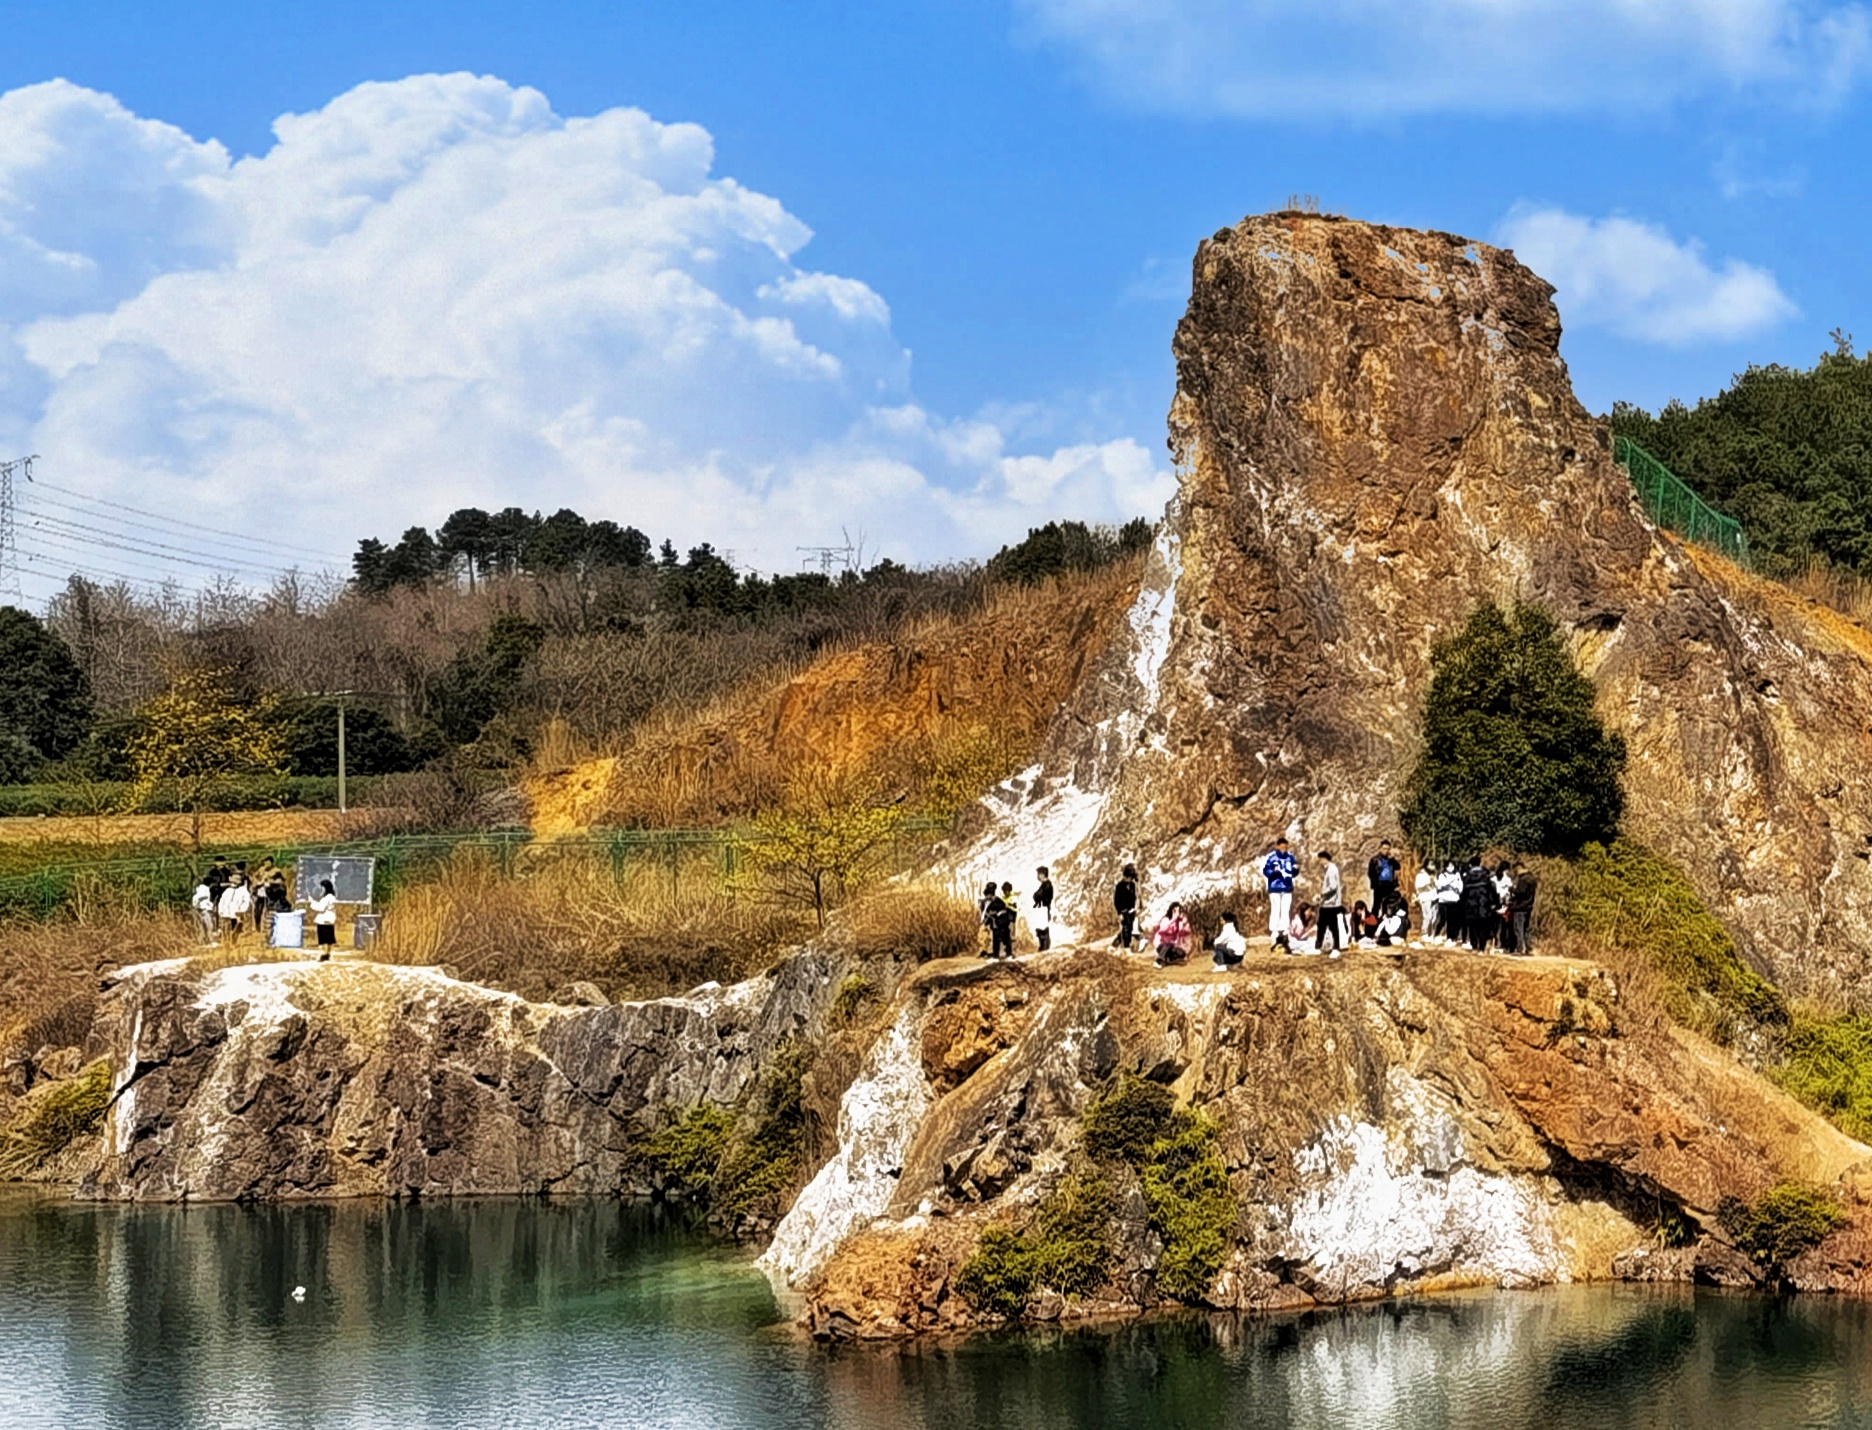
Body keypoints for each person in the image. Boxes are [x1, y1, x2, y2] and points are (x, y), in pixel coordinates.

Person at [1261, 838, 1297, 948]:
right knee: (1276, 908)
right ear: (1277, 846)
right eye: (1281, 847)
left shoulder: (1290, 857)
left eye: (1285, 847)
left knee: (1286, 908)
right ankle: (1274, 930)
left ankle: (1285, 929)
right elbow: (1265, 871)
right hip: (1275, 887)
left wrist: (1295, 870)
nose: (1283, 849)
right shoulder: (1272, 857)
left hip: (1287, 887)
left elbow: (1294, 871)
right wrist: (1274, 873)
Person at [1315, 851, 1346, 957]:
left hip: (1331, 904)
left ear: (1324, 858)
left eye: (1320, 859)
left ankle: (1336, 947)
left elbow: (1333, 886)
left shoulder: (1332, 869)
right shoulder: (1329, 869)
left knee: (1332, 926)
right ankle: (1318, 946)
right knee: (1322, 925)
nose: (1319, 862)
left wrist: (1321, 894)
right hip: (1327, 903)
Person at [1461, 859, 1495, 952]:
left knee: (1472, 927)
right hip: (1483, 905)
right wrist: (1495, 903)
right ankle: (1482, 947)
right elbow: (1492, 891)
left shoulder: (1467, 878)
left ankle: (1474, 946)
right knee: (1483, 927)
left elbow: (1463, 893)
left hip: (1470, 906)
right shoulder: (1486, 876)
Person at [1508, 864, 1539, 956]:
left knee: (1518, 928)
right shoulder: (1532, 879)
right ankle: (1529, 948)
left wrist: (1512, 890)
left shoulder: (1523, 879)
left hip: (1520, 907)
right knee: (1526, 929)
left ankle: (1520, 948)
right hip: (1528, 906)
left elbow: (1520, 892)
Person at [1152, 901, 1192, 967]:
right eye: (1175, 910)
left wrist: (1184, 924)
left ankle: (1168, 959)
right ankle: (1158, 961)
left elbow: (1186, 932)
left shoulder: (1179, 922)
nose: (1177, 912)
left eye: (1179, 910)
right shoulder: (1166, 920)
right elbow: (1162, 930)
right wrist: (1173, 920)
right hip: (1161, 944)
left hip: (1172, 946)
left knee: (1182, 953)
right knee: (1168, 944)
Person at [217, 873, 252, 945]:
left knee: (235, 929)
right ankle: (226, 942)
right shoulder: (227, 891)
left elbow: (246, 902)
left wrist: (241, 910)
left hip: (236, 914)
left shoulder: (243, 891)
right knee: (225, 929)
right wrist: (221, 911)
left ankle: (233, 942)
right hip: (226, 914)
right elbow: (222, 901)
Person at [309, 878, 339, 960]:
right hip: (329, 919)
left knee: (325, 937)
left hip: (324, 919)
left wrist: (312, 903)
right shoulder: (331, 897)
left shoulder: (327, 898)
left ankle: (325, 953)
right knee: (329, 937)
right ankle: (327, 953)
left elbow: (321, 908)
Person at [1367, 840, 1401, 912]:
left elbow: (1398, 866)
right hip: (1379, 885)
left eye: (1387, 849)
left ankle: (1386, 920)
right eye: (1384, 849)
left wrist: (1393, 859)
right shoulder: (1374, 860)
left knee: (1388, 905)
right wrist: (1375, 883)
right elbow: (1370, 873)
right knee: (1376, 905)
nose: (1386, 851)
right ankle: (1373, 921)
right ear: (1380, 848)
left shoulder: (1391, 860)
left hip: (1389, 885)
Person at [1436, 862, 1464, 947]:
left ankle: (1450, 937)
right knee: (1443, 919)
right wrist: (1450, 883)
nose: (1451, 868)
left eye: (1452, 866)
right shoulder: (1442, 875)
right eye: (1449, 866)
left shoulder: (1457, 875)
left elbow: (1460, 887)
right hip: (1443, 900)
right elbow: (1440, 885)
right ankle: (1437, 934)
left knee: (1452, 920)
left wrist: (1456, 889)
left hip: (1454, 900)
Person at [1112, 864, 1139, 951]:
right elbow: (1116, 901)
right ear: (1125, 876)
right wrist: (1119, 913)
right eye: (1128, 877)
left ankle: (1115, 944)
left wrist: (1134, 907)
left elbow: (1134, 897)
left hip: (1131, 910)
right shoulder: (1119, 886)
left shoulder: (1132, 885)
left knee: (1130, 928)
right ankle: (1126, 947)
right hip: (1123, 910)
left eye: (1131, 878)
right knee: (1126, 927)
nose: (1129, 879)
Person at [987, 887, 1017, 961]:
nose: (987, 897)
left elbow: (1000, 912)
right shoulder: (997, 901)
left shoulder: (998, 902)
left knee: (1003, 939)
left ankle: (1002, 955)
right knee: (999, 940)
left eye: (987, 896)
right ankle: (1001, 955)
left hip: (1001, 924)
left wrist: (993, 914)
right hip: (999, 924)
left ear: (990, 895)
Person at [1414, 860, 1439, 941]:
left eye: (1434, 865)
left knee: (1434, 916)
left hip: (1434, 897)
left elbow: (1437, 886)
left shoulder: (1434, 875)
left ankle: (1431, 933)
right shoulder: (1420, 875)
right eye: (1431, 864)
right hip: (1425, 898)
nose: (1433, 867)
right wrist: (1427, 885)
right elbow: (1418, 888)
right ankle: (1424, 932)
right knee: (1427, 916)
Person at [190, 880, 219, 947]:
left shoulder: (196, 894)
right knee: (209, 925)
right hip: (204, 910)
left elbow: (195, 902)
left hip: (199, 910)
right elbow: (203, 899)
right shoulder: (204, 889)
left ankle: (202, 942)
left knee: (202, 927)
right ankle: (210, 941)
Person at [1032, 866, 1055, 952]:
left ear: (1042, 874)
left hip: (1044, 908)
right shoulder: (1045, 885)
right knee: (1041, 929)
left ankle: (1044, 947)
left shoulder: (1047, 885)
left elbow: (1038, 896)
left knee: (1043, 929)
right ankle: (1043, 947)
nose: (1037, 876)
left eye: (1038, 874)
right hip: (1043, 908)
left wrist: (1037, 896)